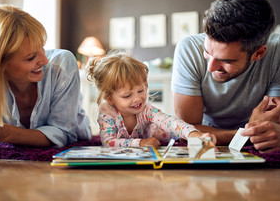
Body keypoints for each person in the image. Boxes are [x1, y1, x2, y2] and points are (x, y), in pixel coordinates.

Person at [172, 0, 280, 153]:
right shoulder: (188, 49)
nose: (211, 67)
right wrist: (247, 132)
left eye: (227, 61)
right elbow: (186, 132)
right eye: (207, 52)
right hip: (211, 146)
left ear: (259, 53)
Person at [0, 4, 92, 147]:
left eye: (42, 47)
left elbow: (63, 133)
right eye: (31, 57)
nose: (45, 60)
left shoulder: (61, 66)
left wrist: (6, 133)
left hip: (79, 139)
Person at [87, 51, 216, 147]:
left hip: (155, 134)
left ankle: (183, 136)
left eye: (141, 90)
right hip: (139, 146)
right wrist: (140, 143)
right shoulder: (107, 112)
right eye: (127, 95)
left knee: (165, 130)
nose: (137, 99)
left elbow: (168, 121)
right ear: (109, 98)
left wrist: (193, 134)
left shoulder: (145, 109)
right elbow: (109, 142)